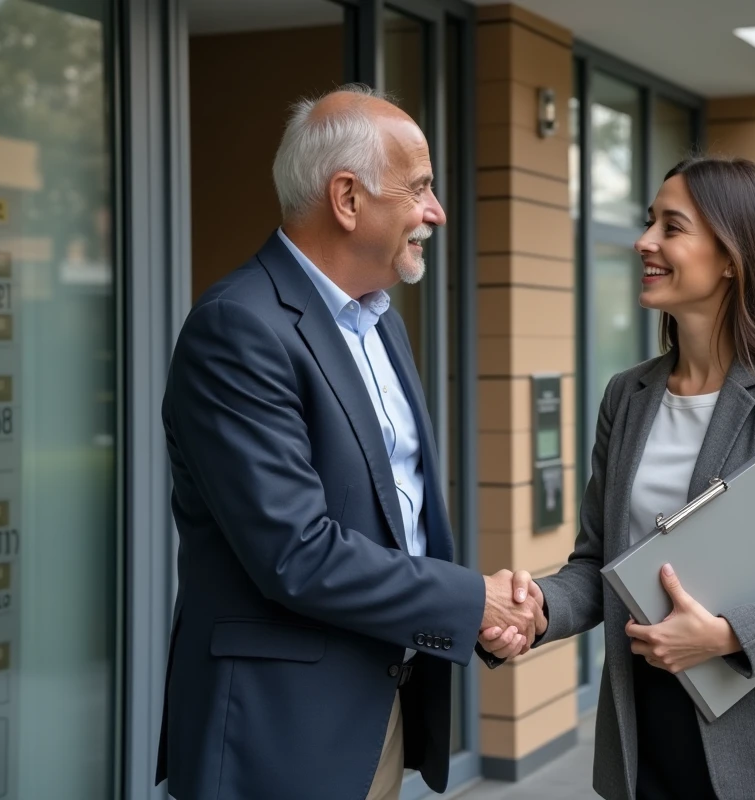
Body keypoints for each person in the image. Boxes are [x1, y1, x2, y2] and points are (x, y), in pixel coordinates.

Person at [155, 86, 539, 800]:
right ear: (347, 198)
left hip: (377, 702)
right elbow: (295, 551)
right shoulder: (237, 329)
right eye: (420, 188)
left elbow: (397, 514)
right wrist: (470, 602)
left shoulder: (380, 322)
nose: (436, 212)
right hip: (279, 734)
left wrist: (474, 610)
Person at [486, 157, 755, 800]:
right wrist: (538, 611)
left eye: (671, 227)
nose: (644, 241)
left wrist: (729, 634)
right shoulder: (628, 396)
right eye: (649, 221)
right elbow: (599, 565)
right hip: (646, 736)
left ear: (733, 256)